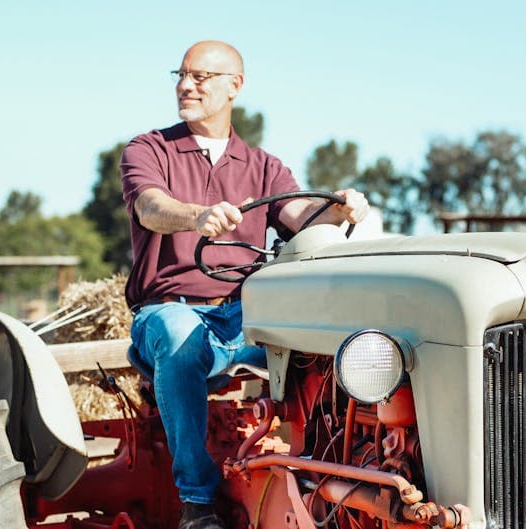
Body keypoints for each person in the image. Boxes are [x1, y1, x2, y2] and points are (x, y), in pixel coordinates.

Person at [120, 40, 369, 529]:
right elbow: (150, 207)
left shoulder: (264, 166)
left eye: (200, 77)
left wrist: (340, 208)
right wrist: (198, 216)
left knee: (335, 339)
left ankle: (338, 474)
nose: (185, 85)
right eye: (181, 75)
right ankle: (197, 501)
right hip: (169, 308)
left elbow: (300, 216)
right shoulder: (149, 149)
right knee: (177, 336)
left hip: (242, 316)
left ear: (235, 86)